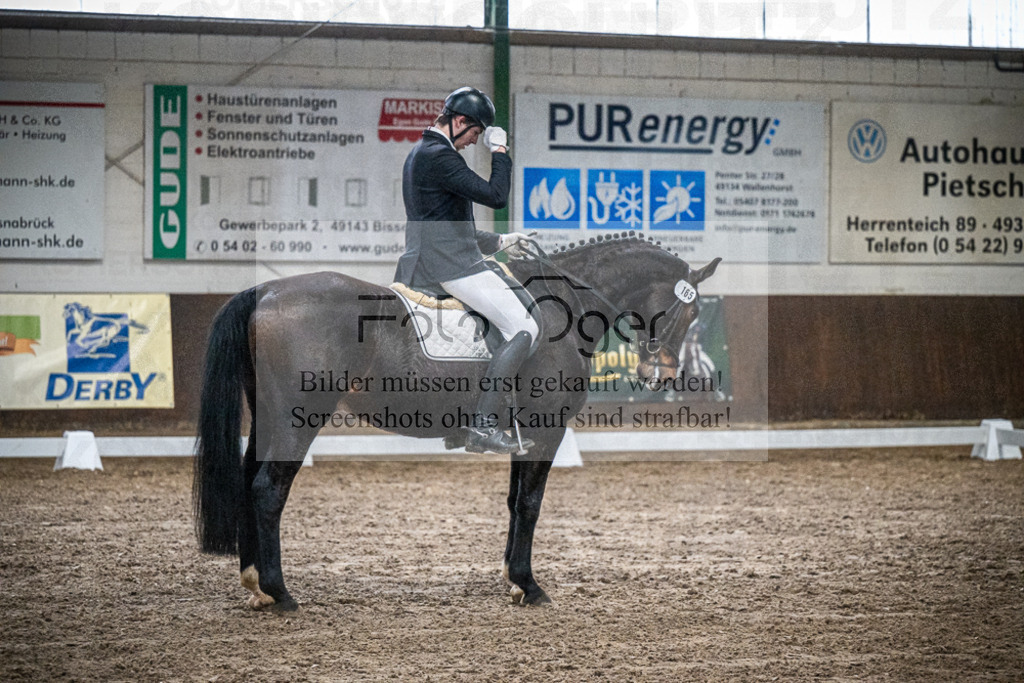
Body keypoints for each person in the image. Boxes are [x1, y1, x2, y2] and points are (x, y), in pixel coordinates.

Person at [394, 86, 538, 454]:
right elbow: (496, 196)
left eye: (481, 136)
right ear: (459, 121)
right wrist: (500, 150)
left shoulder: (422, 152)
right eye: (475, 132)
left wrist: (500, 241)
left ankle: (462, 417)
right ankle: (483, 425)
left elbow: (446, 224)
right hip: (450, 266)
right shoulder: (440, 156)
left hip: (431, 259)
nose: (475, 141)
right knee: (524, 327)